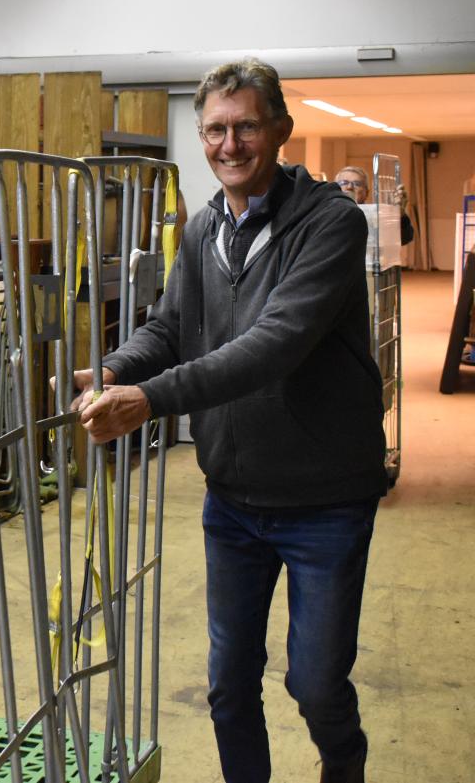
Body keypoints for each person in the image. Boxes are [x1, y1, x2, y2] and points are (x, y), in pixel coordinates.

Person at [71, 58, 386, 783]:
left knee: (315, 683)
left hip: (325, 499)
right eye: (215, 130)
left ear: (280, 129)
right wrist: (115, 369)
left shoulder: (330, 225)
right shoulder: (205, 228)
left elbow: (272, 346)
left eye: (246, 127)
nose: (230, 144)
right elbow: (171, 327)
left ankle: (344, 762)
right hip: (234, 501)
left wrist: (151, 400)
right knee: (229, 686)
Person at [334, 165, 415, 245]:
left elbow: (405, 238)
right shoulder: (328, 212)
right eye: (344, 183)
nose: (349, 187)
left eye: (357, 184)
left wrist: (399, 215)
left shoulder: (376, 215)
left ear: (366, 193)